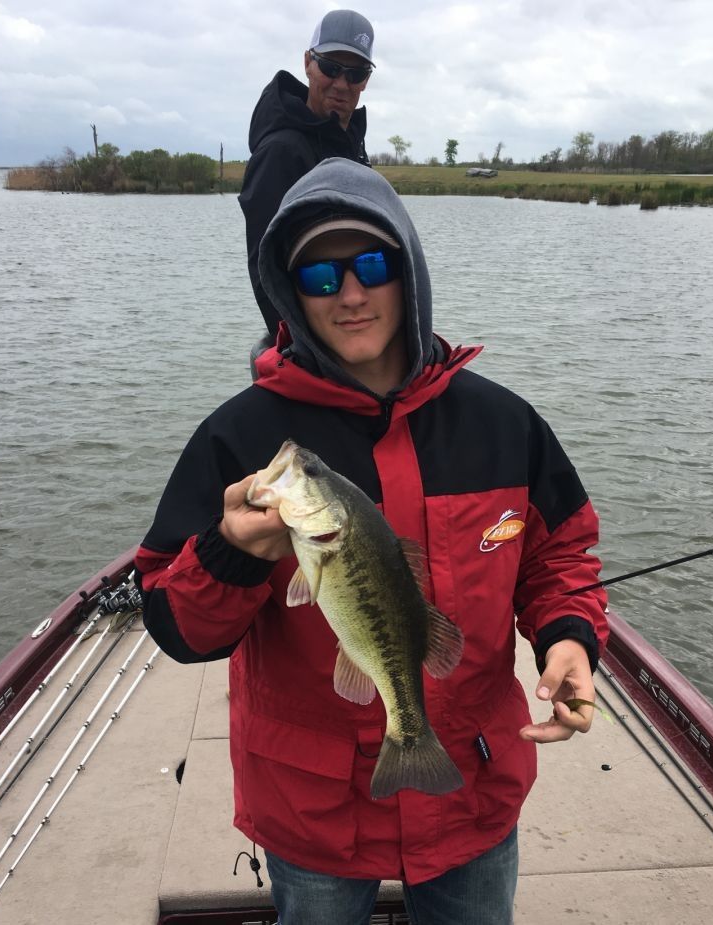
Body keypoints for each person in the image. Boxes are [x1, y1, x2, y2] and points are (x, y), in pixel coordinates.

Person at [136, 157, 610, 924]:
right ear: (292, 292)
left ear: (409, 271)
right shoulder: (240, 436)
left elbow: (559, 558)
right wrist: (230, 552)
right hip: (311, 806)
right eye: (320, 276)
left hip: (472, 790)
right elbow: (174, 626)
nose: (350, 293)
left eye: (371, 265)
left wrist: (570, 640)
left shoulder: (503, 422)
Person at [238, 9, 375, 337]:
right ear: (307, 64)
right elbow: (266, 269)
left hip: (355, 327)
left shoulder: (352, 147)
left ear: (366, 80)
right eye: (330, 67)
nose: (342, 84)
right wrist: (307, 352)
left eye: (355, 74)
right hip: (315, 344)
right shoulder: (280, 152)